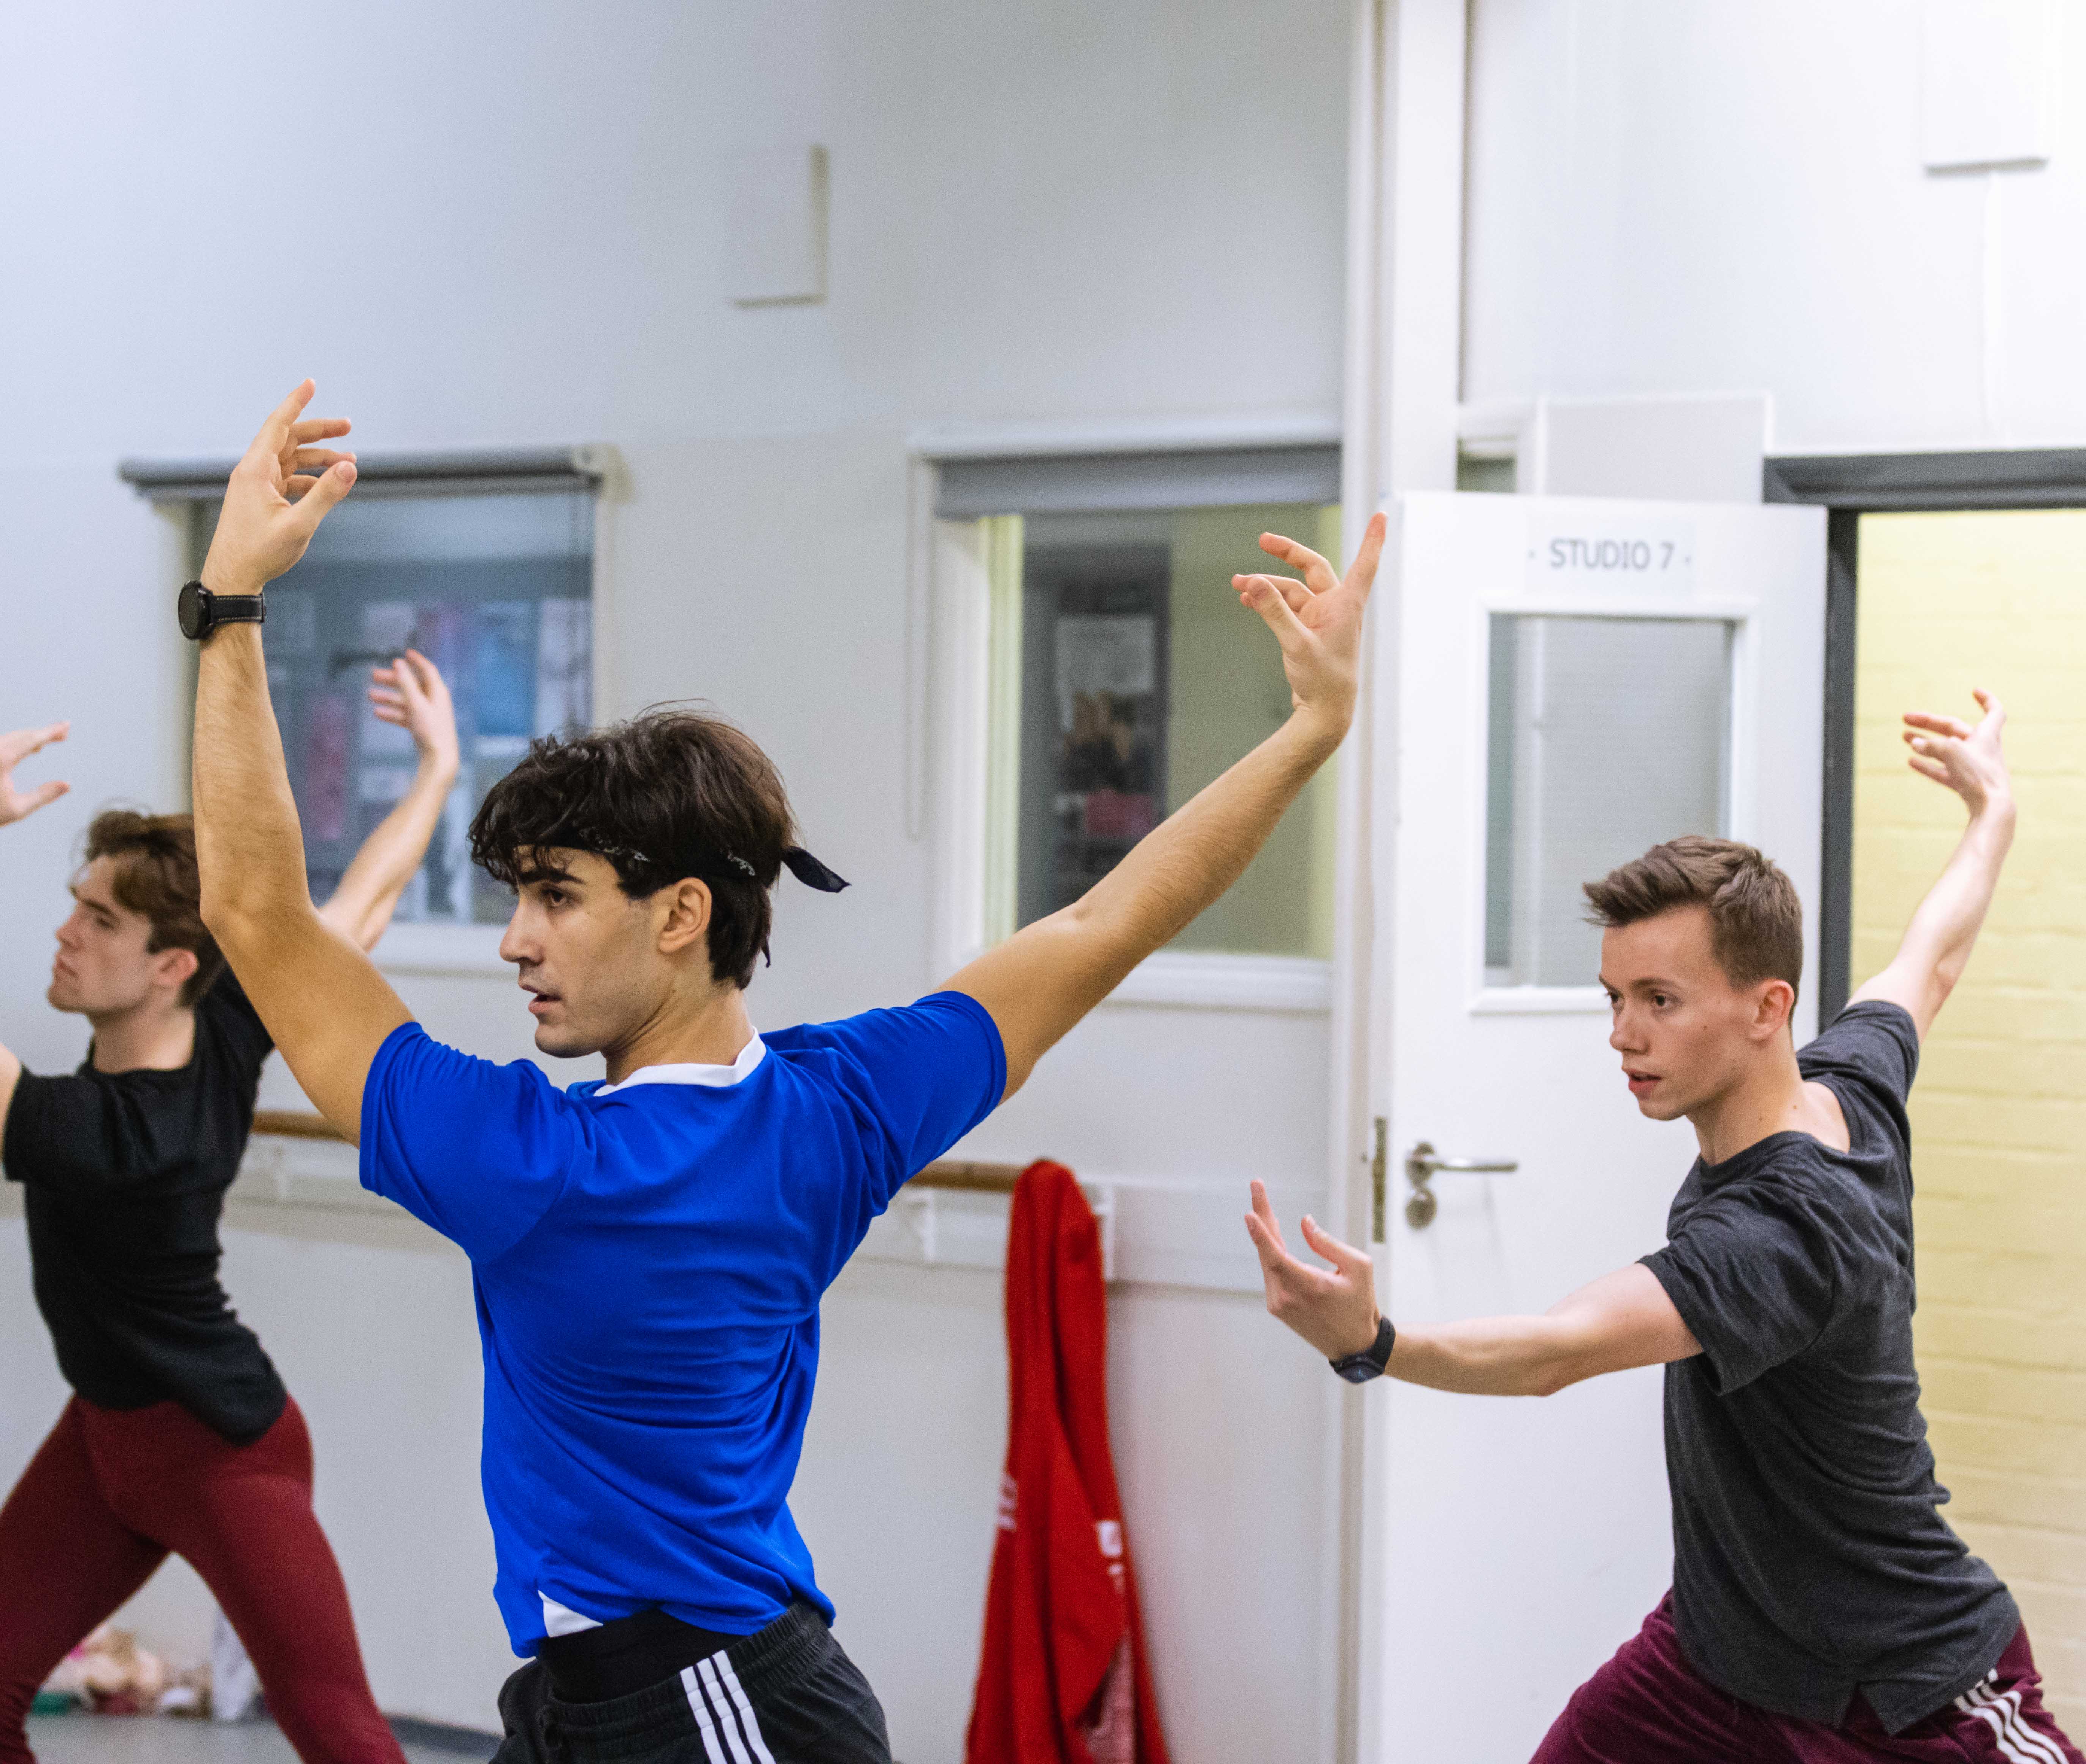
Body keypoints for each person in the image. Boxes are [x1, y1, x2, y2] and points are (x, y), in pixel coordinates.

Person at [180, 382, 1385, 1763]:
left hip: (701, 1708)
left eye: (556, 899)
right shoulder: (841, 1112)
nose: (516, 943)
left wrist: (228, 605)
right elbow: (1102, 925)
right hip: (618, 1697)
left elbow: (260, 915)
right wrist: (1306, 735)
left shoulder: (537, 1167)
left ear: (681, 915)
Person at [1247, 693, 2080, 1762]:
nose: (1623, 1036)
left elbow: (1559, 1349)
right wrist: (1993, 811)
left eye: (1659, 1001)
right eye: (1614, 999)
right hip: (1720, 1659)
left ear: (1766, 1007)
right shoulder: (1848, 1084)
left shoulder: (1786, 1237)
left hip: (1901, 1685)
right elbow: (1934, 959)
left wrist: (1376, 1345)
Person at [0, 646, 463, 1764]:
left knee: (339, 1732)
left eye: (99, 921)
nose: (67, 932)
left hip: (219, 1449)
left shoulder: (102, 1138)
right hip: (104, 1440)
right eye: (77, 905)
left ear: (168, 965)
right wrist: (434, 767)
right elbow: (363, 907)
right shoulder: (231, 1020)